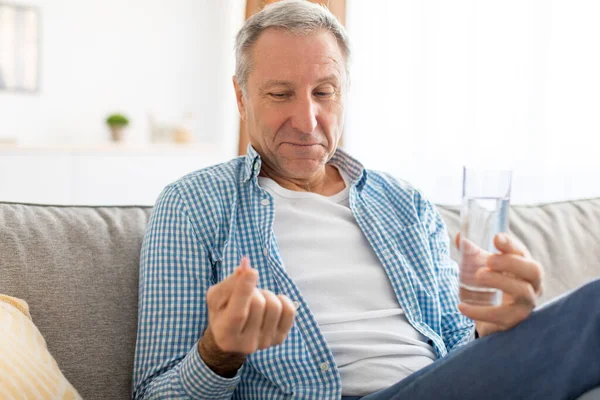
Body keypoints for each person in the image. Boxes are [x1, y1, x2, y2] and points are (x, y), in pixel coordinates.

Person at [132, 1, 600, 399]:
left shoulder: (404, 203)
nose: (307, 119)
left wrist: (496, 329)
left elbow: (459, 348)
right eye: (279, 94)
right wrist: (220, 351)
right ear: (240, 97)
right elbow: (153, 393)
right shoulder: (193, 205)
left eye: (324, 92)